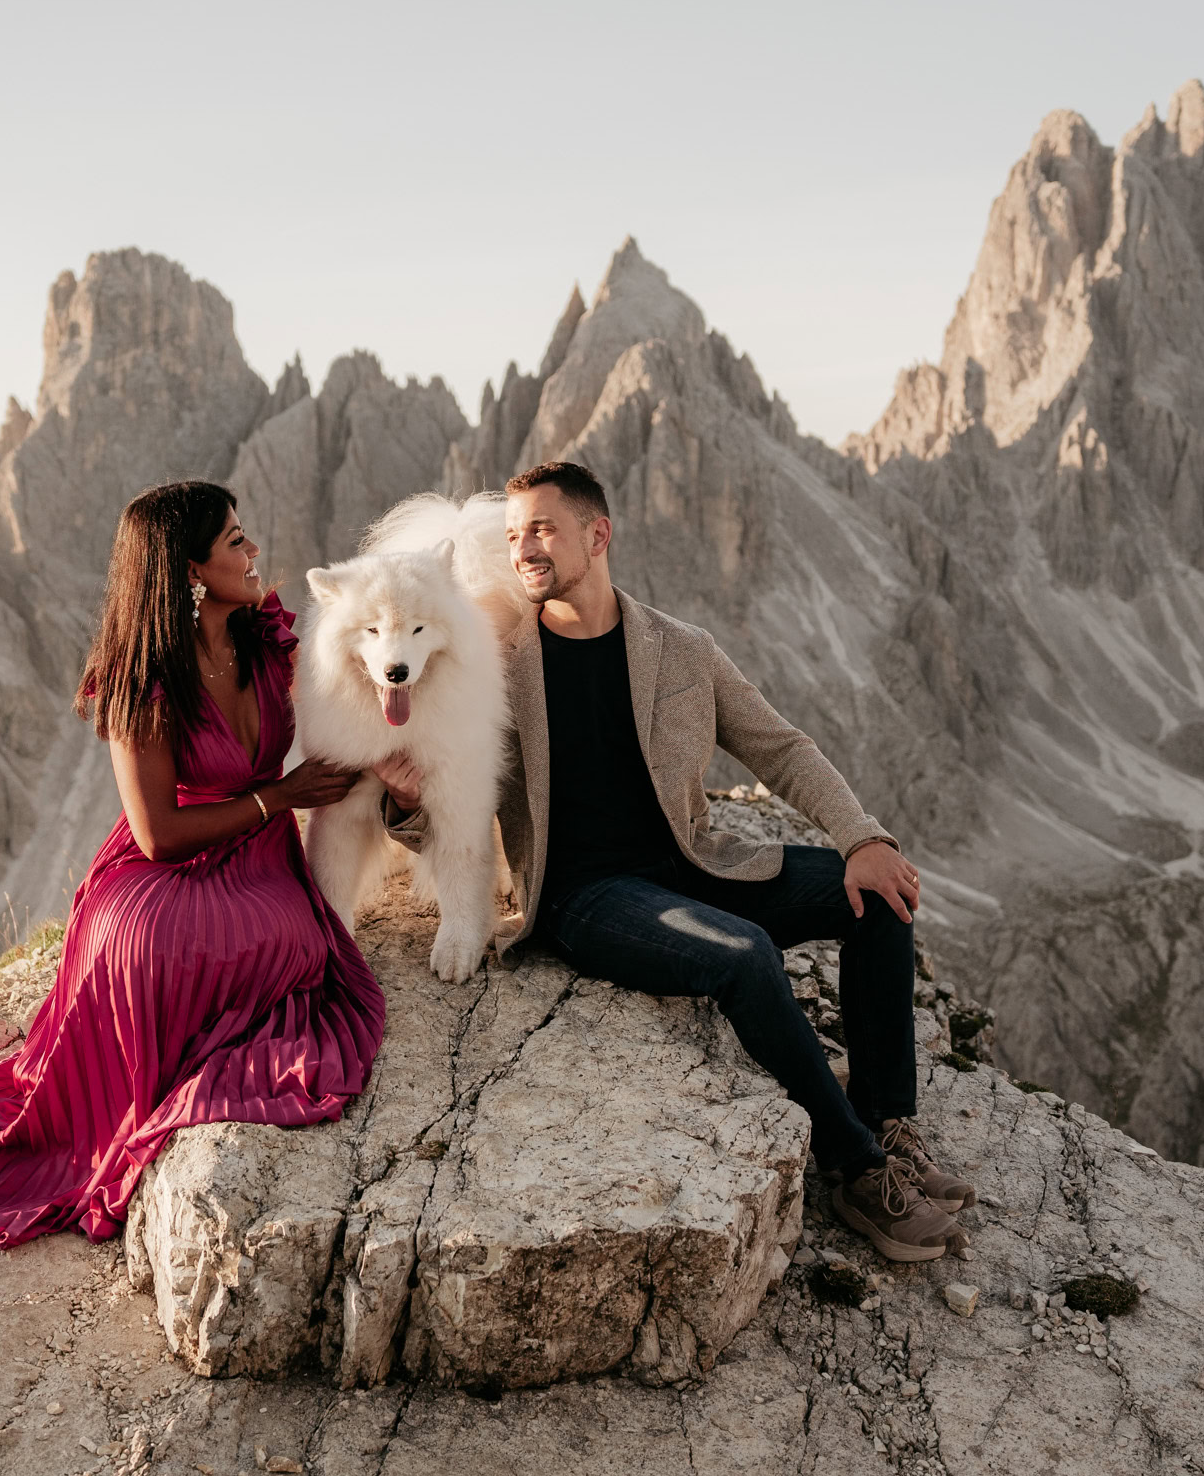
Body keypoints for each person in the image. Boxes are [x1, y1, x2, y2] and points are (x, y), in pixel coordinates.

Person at [382, 460, 974, 1262]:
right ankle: (857, 1171)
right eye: (515, 533)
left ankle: (888, 1122)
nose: (523, 547)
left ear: (599, 534)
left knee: (880, 895)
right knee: (745, 956)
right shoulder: (501, 667)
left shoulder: (683, 649)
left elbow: (782, 747)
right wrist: (404, 803)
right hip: (586, 897)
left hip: (701, 865)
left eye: (544, 529)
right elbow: (454, 807)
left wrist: (863, 838)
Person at [0, 481, 386, 1247]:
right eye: (236, 542)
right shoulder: (139, 678)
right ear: (188, 572)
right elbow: (158, 835)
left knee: (293, 939)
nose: (254, 553)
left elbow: (363, 684)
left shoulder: (266, 635)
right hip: (170, 864)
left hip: (258, 857)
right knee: (149, 948)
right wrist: (279, 797)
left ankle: (186, 1045)